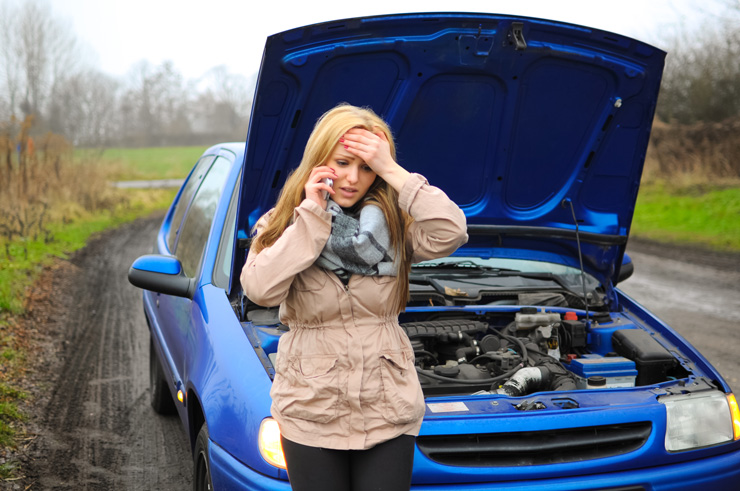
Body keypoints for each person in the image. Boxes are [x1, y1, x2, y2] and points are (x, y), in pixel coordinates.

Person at [240, 103, 468, 491]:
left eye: (366, 168)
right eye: (343, 163)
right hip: (311, 408)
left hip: (387, 406)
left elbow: (452, 231)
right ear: (319, 160)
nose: (352, 178)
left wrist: (393, 171)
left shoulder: (397, 224)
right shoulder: (282, 222)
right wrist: (311, 215)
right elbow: (260, 289)